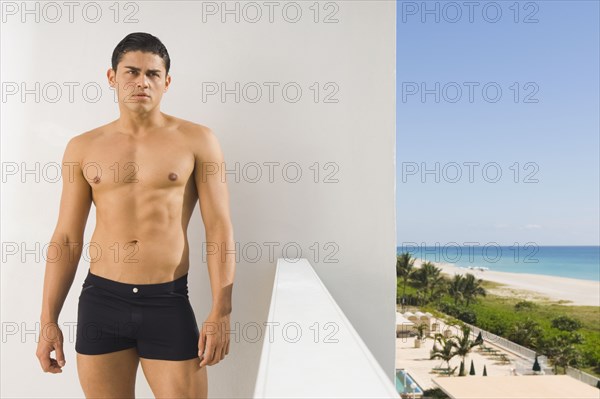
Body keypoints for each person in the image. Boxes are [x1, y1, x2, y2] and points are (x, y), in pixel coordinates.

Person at [35, 32, 236, 398]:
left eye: (153, 74)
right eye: (131, 72)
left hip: (168, 301)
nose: (142, 81)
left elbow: (219, 228)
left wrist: (222, 310)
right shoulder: (83, 147)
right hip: (101, 300)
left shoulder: (197, 140)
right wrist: (48, 318)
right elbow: (66, 237)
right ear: (112, 77)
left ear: (166, 82)